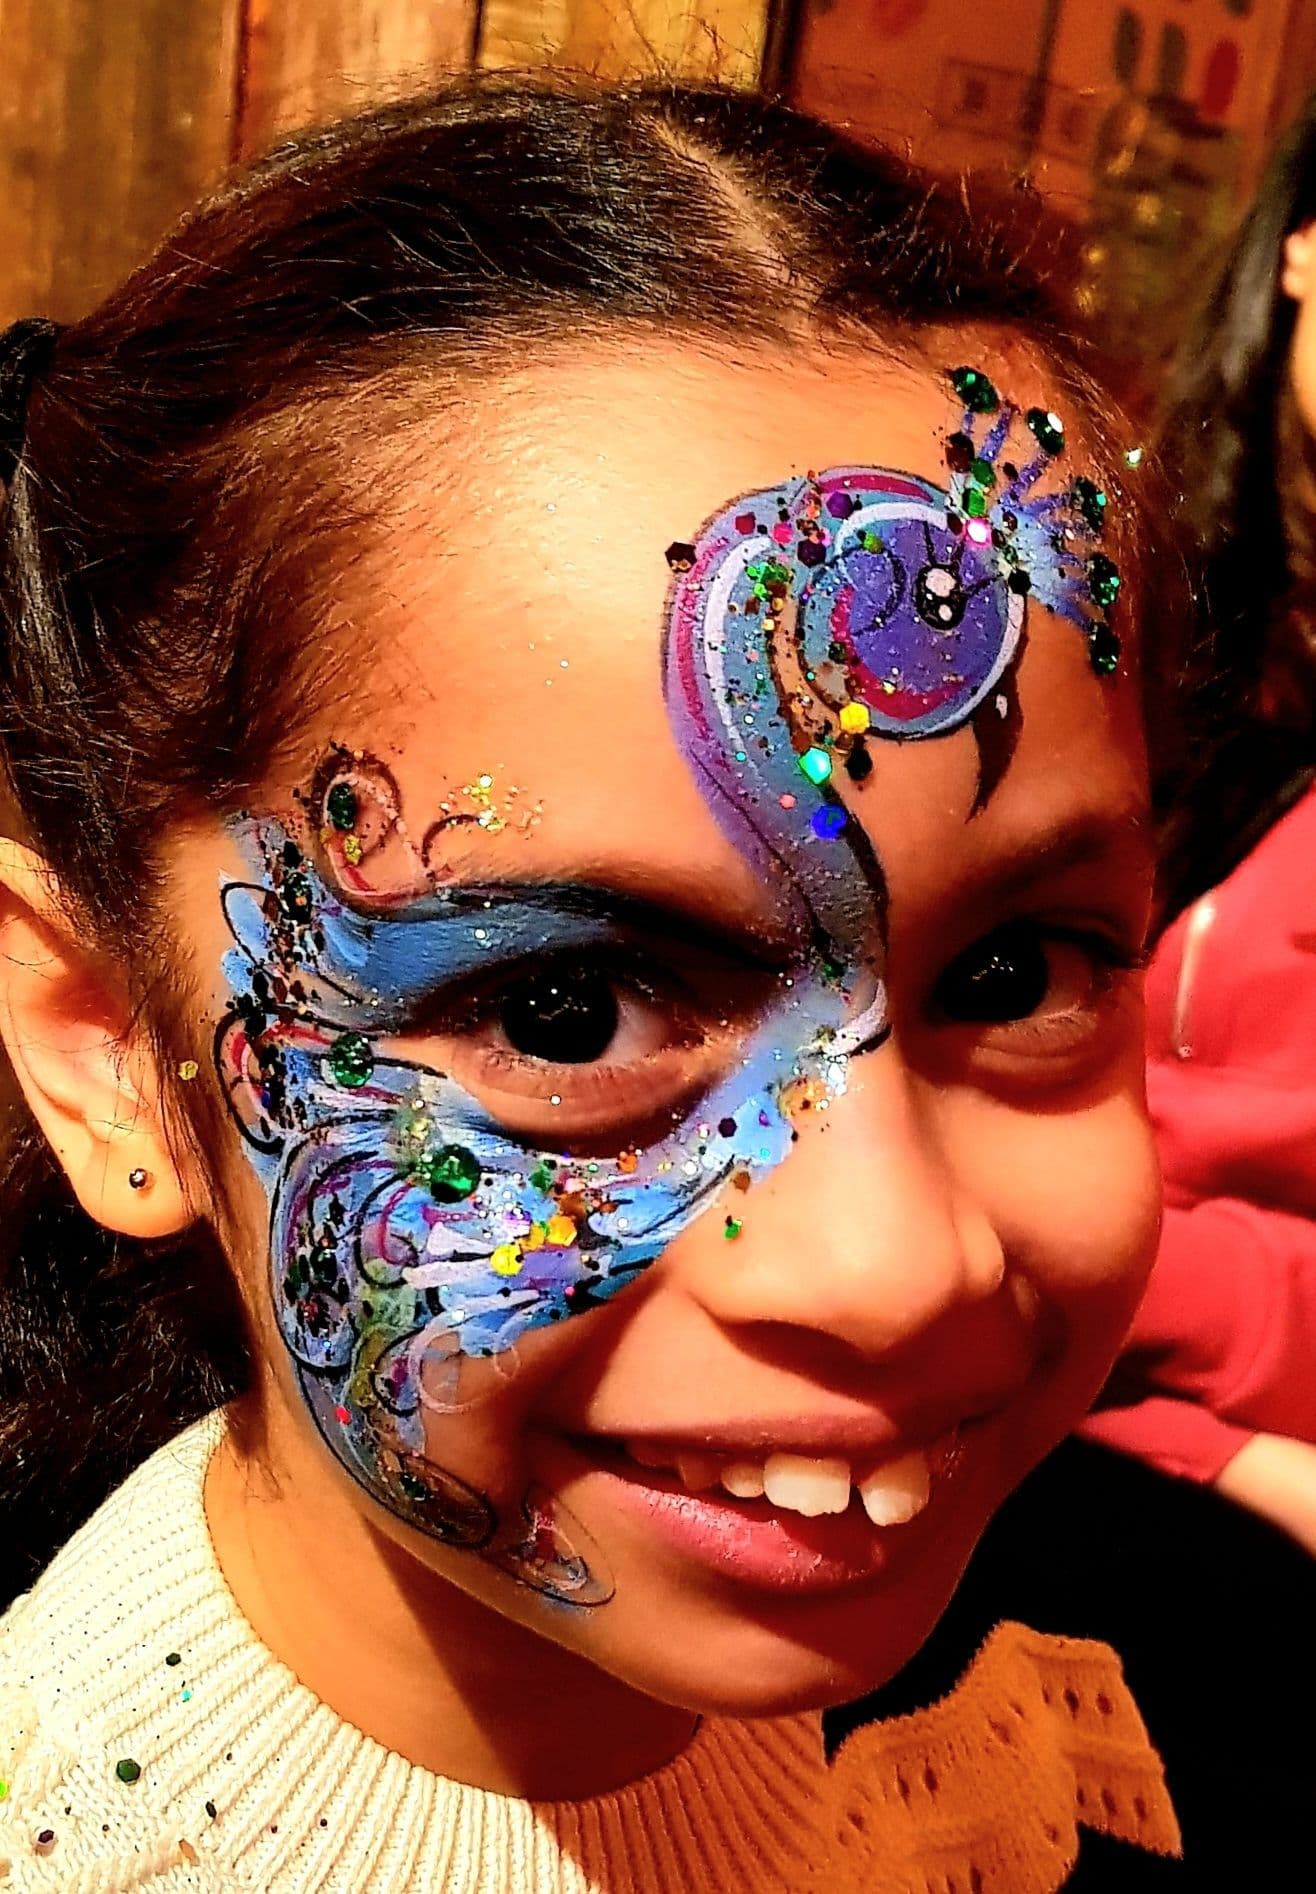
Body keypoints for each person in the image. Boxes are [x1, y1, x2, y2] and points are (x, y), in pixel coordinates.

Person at [0, 77, 1182, 1891]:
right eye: (567, 1011)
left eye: (1018, 972)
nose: (898, 1265)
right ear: (112, 1060)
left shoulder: (1056, 1721)